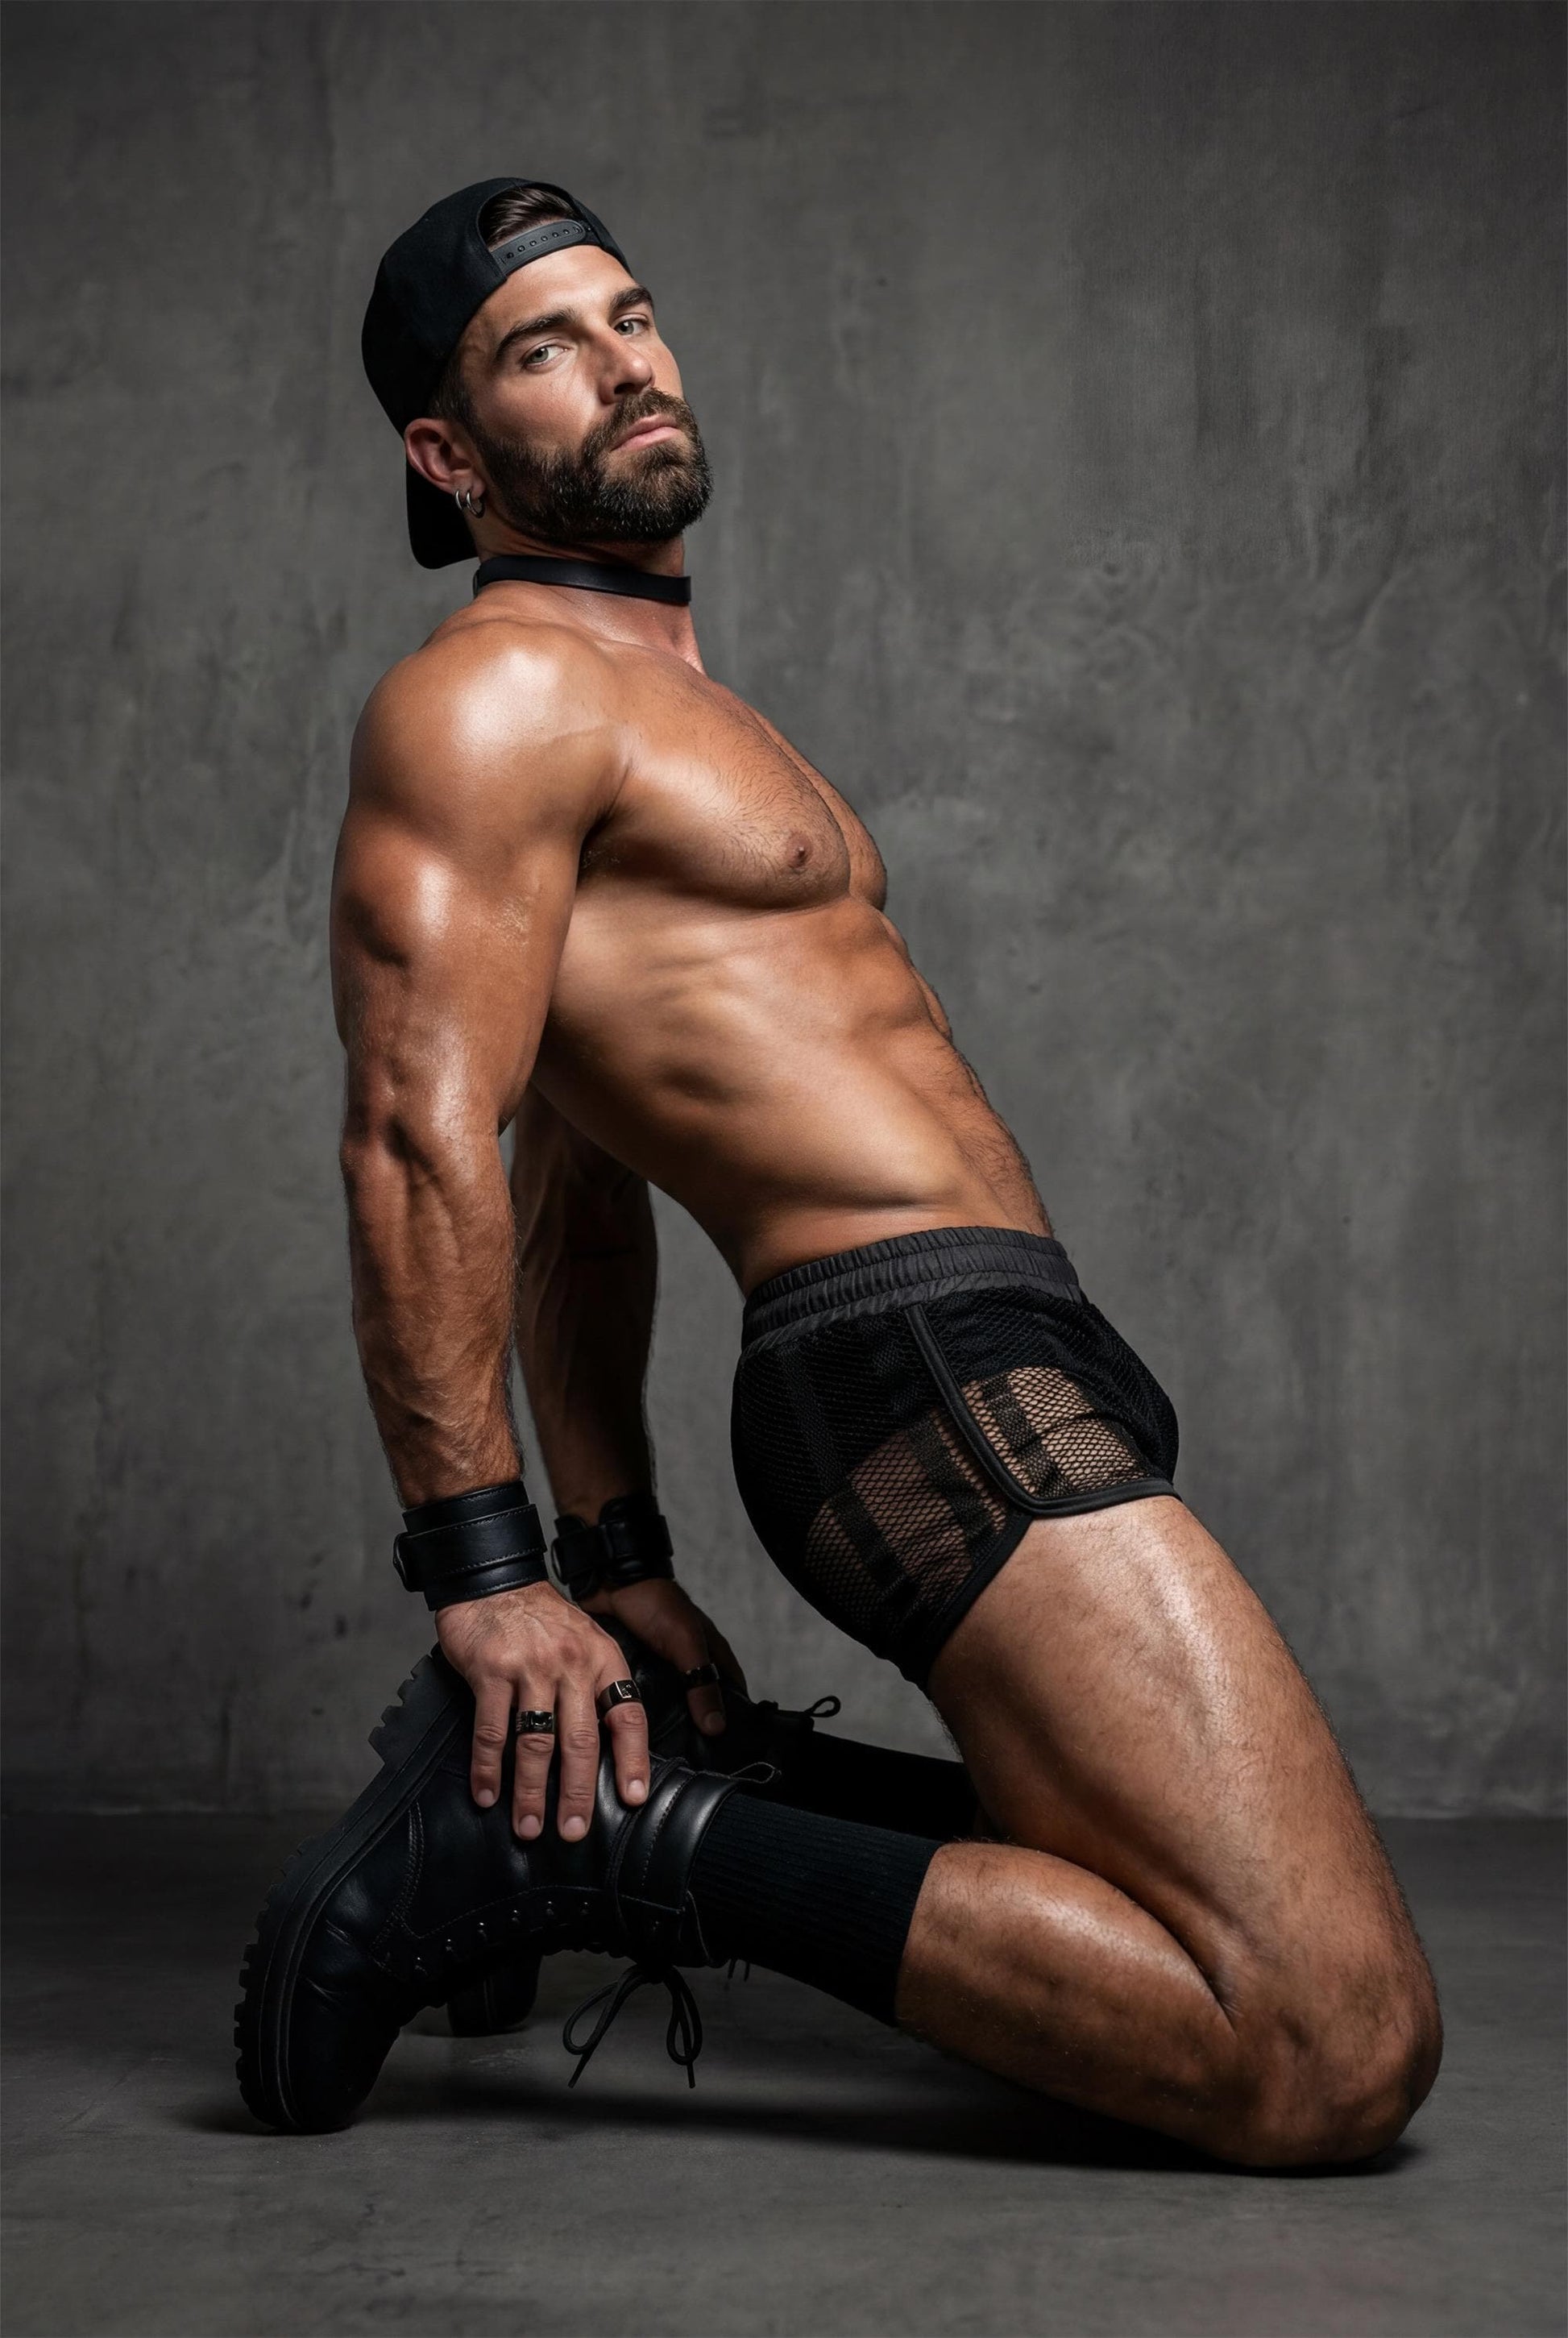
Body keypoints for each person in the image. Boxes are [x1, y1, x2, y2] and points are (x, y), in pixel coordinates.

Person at [235, 177, 1441, 2156]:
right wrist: (491, 1571)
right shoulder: (497, 694)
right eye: (545, 345)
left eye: (632, 313)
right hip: (910, 1365)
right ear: (448, 456)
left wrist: (619, 1565)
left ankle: (592, 1791)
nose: (625, 359)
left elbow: (574, 1183)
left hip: (994, 1343)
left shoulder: (669, 703)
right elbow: (415, 1128)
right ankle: (600, 1834)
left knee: (1182, 1900)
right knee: (1328, 2041)